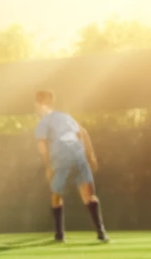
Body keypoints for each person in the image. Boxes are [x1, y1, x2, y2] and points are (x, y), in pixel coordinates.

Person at [33, 90, 108, 243]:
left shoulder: (42, 123)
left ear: (39, 105)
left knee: (56, 193)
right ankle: (101, 233)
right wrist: (91, 156)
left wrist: (49, 167)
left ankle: (59, 235)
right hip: (78, 153)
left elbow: (42, 147)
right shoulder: (65, 117)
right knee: (88, 194)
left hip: (61, 155)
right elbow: (84, 133)